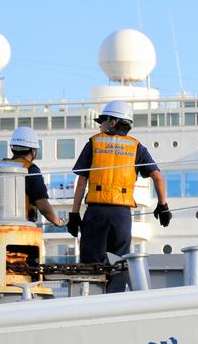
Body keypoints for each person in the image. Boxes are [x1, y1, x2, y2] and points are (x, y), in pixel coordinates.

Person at [68, 101, 171, 292]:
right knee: (118, 263)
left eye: (103, 121)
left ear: (113, 121)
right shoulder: (136, 148)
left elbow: (81, 182)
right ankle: (114, 300)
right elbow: (157, 176)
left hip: (96, 213)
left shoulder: (94, 143)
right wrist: (162, 206)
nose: (100, 125)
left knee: (91, 265)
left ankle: (91, 302)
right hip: (121, 215)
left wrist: (74, 214)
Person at [1, 127, 65, 227]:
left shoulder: (0, 166)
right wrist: (58, 221)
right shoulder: (31, 170)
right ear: (33, 151)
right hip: (21, 228)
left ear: (12, 148)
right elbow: (43, 205)